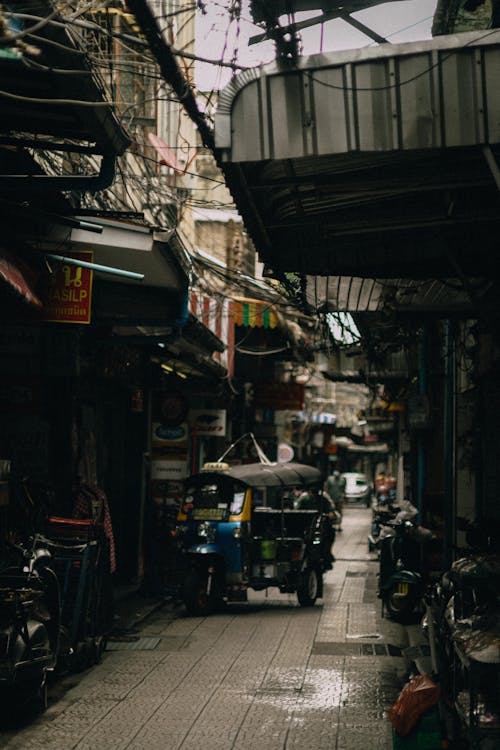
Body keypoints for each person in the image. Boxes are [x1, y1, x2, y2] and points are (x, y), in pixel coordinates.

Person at [296, 488, 336, 568]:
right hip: (305, 526)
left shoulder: (323, 499)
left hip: (320, 526)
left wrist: (330, 514)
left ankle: (326, 555)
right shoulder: (304, 499)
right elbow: (297, 511)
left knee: (330, 534)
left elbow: (331, 511)